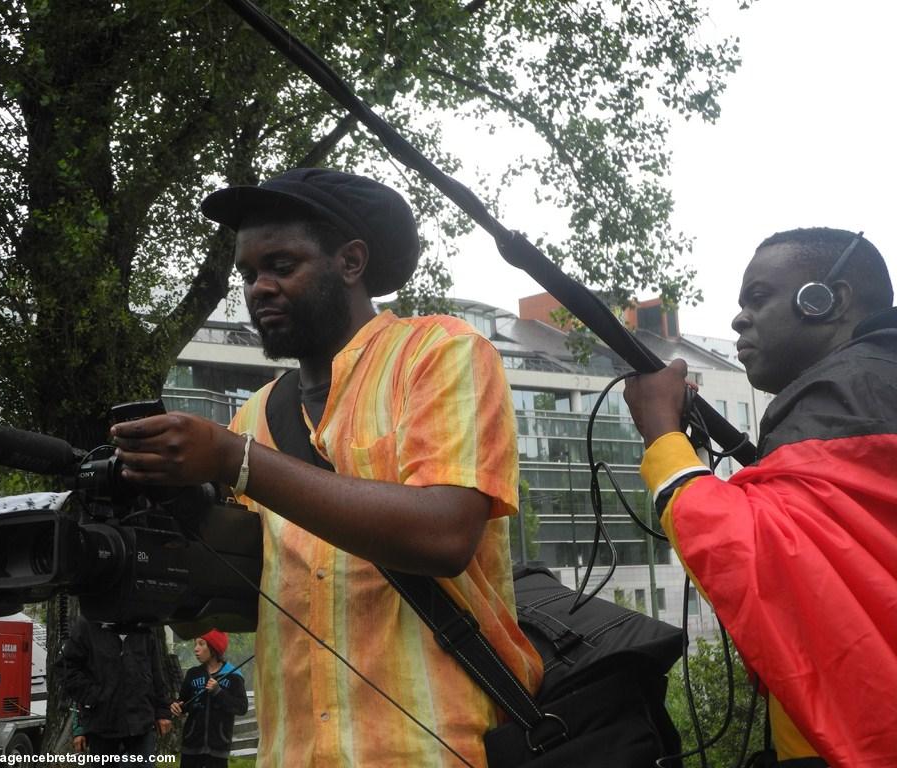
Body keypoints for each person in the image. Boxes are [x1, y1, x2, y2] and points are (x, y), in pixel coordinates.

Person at [110, 168, 542, 766]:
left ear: (351, 261)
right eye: (248, 274)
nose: (259, 288)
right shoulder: (255, 416)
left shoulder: (442, 353)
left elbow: (445, 535)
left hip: (436, 748)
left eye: (281, 266)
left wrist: (233, 460)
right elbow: (230, 602)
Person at [623, 227, 897, 767]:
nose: (738, 319)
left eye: (759, 298)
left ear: (827, 300)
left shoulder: (847, 389)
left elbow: (763, 564)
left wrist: (661, 435)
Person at [54, 616, 173, 760]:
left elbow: (155, 670)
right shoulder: (87, 625)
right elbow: (65, 668)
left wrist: (162, 711)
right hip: (102, 725)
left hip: (141, 724)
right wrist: (92, 697)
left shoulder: (142, 622)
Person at [171, 628, 248, 768]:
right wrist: (177, 706)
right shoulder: (193, 674)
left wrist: (218, 692)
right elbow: (184, 702)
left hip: (218, 748)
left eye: (201, 644)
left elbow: (242, 707)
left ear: (214, 647)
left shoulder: (233, 676)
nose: (196, 649)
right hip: (191, 745)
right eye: (195, 644)